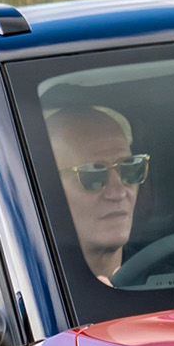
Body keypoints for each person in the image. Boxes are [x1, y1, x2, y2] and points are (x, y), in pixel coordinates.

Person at [45, 106, 149, 283]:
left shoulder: (169, 282)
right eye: (92, 174)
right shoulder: (29, 288)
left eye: (129, 168)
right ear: (47, 189)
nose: (118, 192)